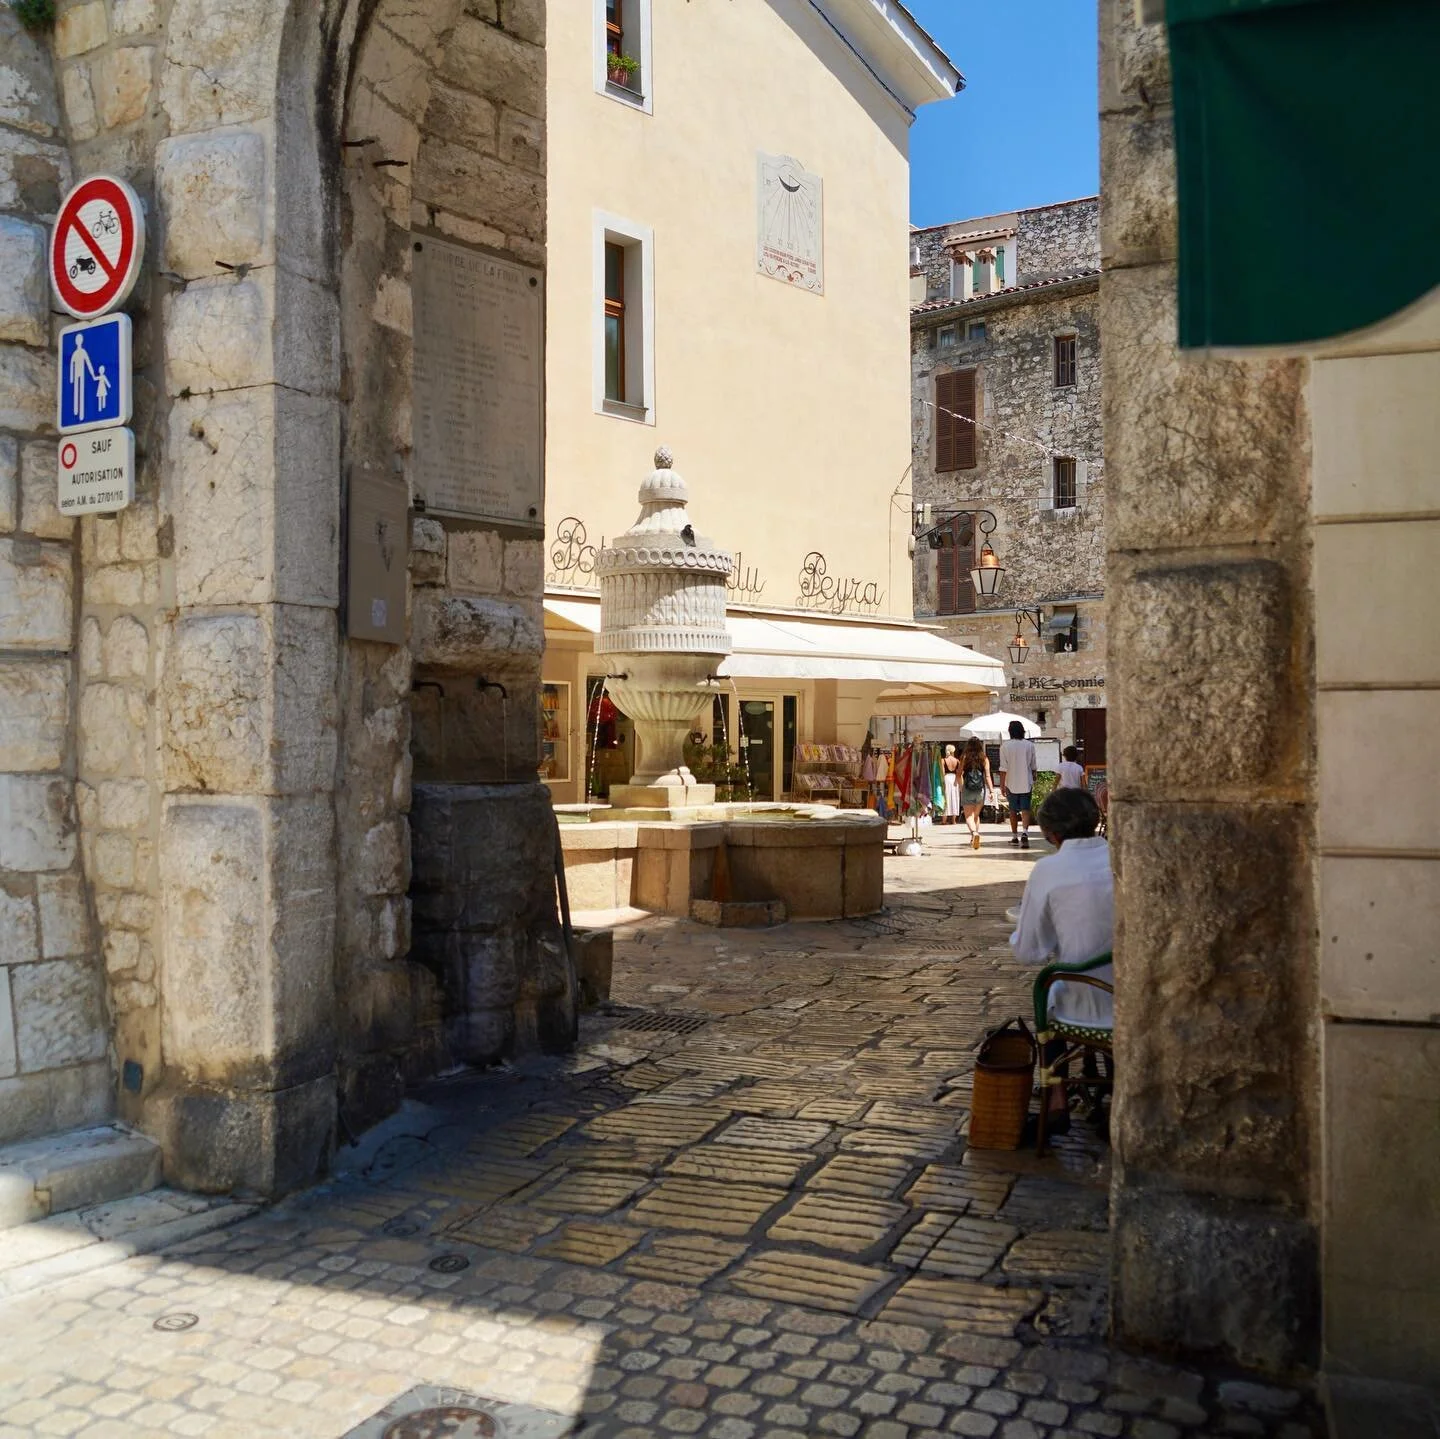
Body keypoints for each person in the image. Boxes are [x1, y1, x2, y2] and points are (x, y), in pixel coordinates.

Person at [1009, 786, 1114, 1132]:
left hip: (1083, 1003)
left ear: (1050, 833)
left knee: (1050, 994)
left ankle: (1056, 1103)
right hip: (1135, 997)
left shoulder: (1048, 870)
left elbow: (1028, 950)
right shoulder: (1121, 856)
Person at [997, 719, 1038, 848]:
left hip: (1011, 783)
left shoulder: (1005, 746)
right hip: (1026, 781)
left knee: (1013, 811)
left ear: (1010, 732)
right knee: (1026, 809)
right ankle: (1025, 833)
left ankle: (1015, 836)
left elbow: (1003, 768)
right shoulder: (1029, 745)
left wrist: (1002, 785)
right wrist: (1034, 779)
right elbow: (1033, 766)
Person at [959, 736, 992, 850]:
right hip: (980, 790)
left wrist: (960, 786)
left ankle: (974, 833)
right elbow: (987, 776)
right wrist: (992, 791)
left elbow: (959, 774)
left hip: (968, 788)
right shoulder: (984, 758)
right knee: (976, 816)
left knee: (968, 816)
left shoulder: (964, 757)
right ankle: (974, 838)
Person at [940, 744, 961, 824]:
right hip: (955, 779)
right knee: (955, 798)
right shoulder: (957, 761)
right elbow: (960, 772)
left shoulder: (943, 760)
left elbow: (942, 772)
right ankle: (953, 820)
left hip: (946, 779)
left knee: (945, 798)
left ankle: (944, 820)